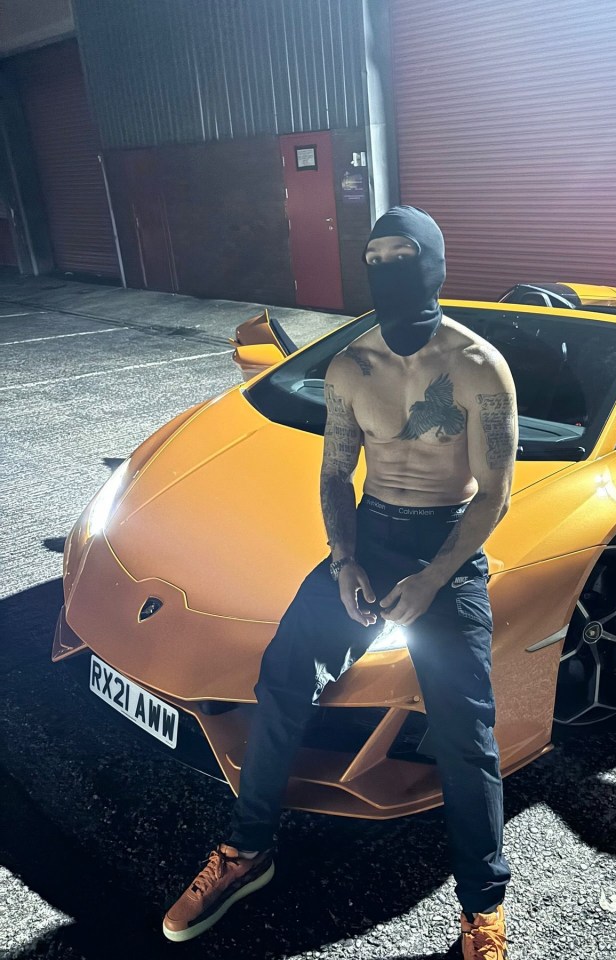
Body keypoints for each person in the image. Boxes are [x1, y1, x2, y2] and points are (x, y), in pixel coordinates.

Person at [162, 206, 518, 960]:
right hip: (370, 536)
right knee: (283, 680)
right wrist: (347, 560)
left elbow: (493, 495)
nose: (388, 268)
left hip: (445, 551)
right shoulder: (352, 364)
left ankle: (483, 912)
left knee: (467, 735)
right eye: (375, 256)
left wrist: (429, 582)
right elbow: (334, 474)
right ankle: (246, 849)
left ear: (434, 262)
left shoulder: (479, 366)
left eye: (404, 255)